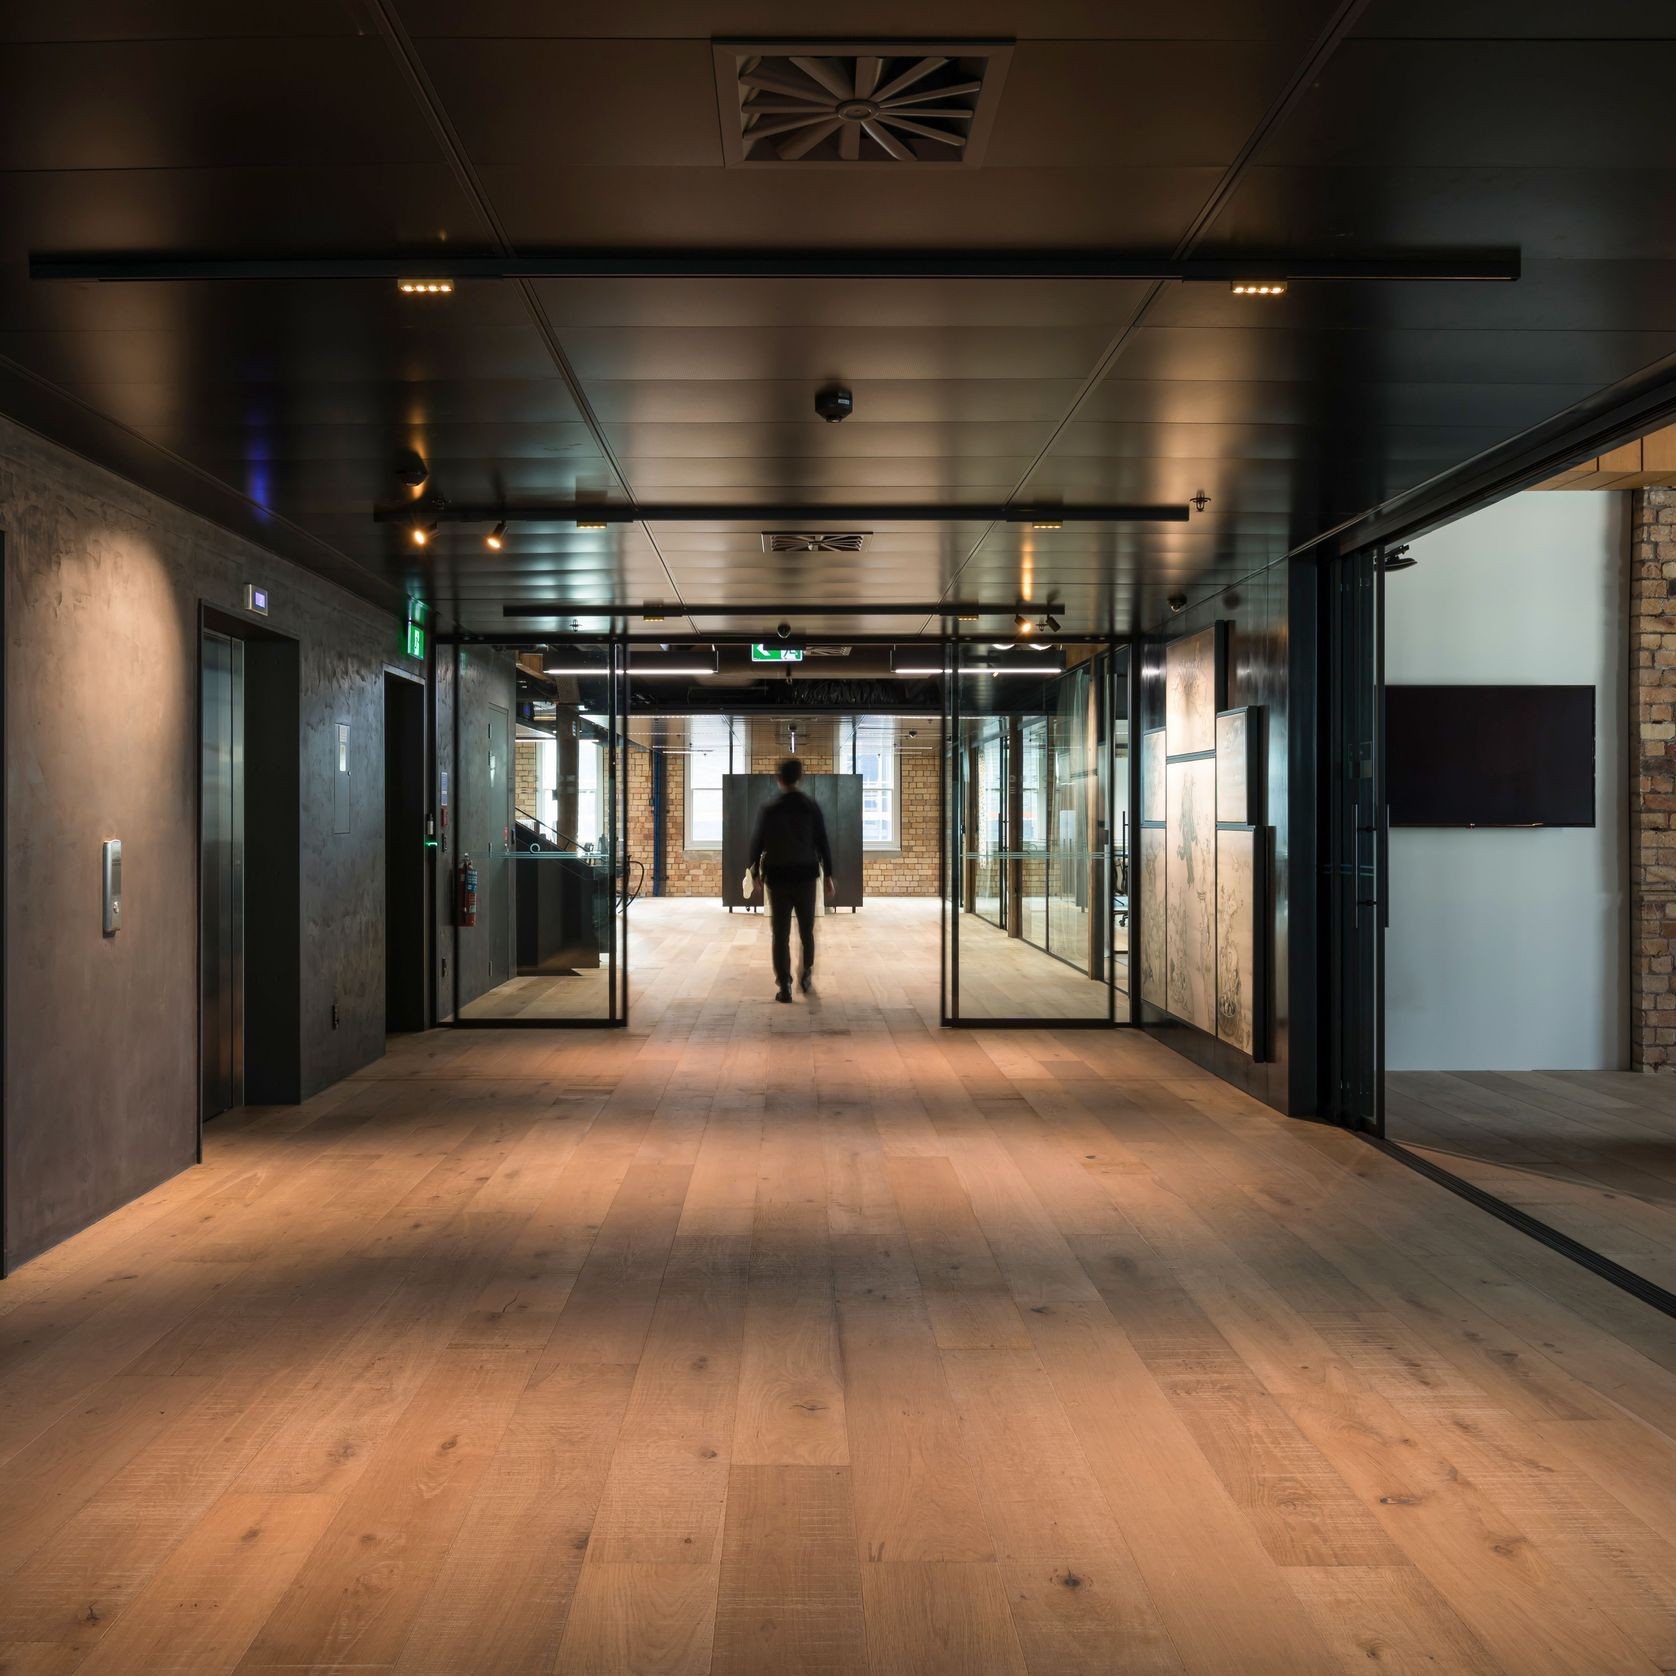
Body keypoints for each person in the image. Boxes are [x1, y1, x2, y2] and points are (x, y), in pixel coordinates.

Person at [747, 757, 836, 1002]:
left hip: (778, 877)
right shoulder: (811, 806)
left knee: (780, 933)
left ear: (779, 779)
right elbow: (823, 841)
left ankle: (784, 985)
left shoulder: (769, 809)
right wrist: (828, 874)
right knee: (807, 929)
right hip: (806, 876)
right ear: (800, 778)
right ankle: (806, 974)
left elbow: (756, 842)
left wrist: (754, 873)